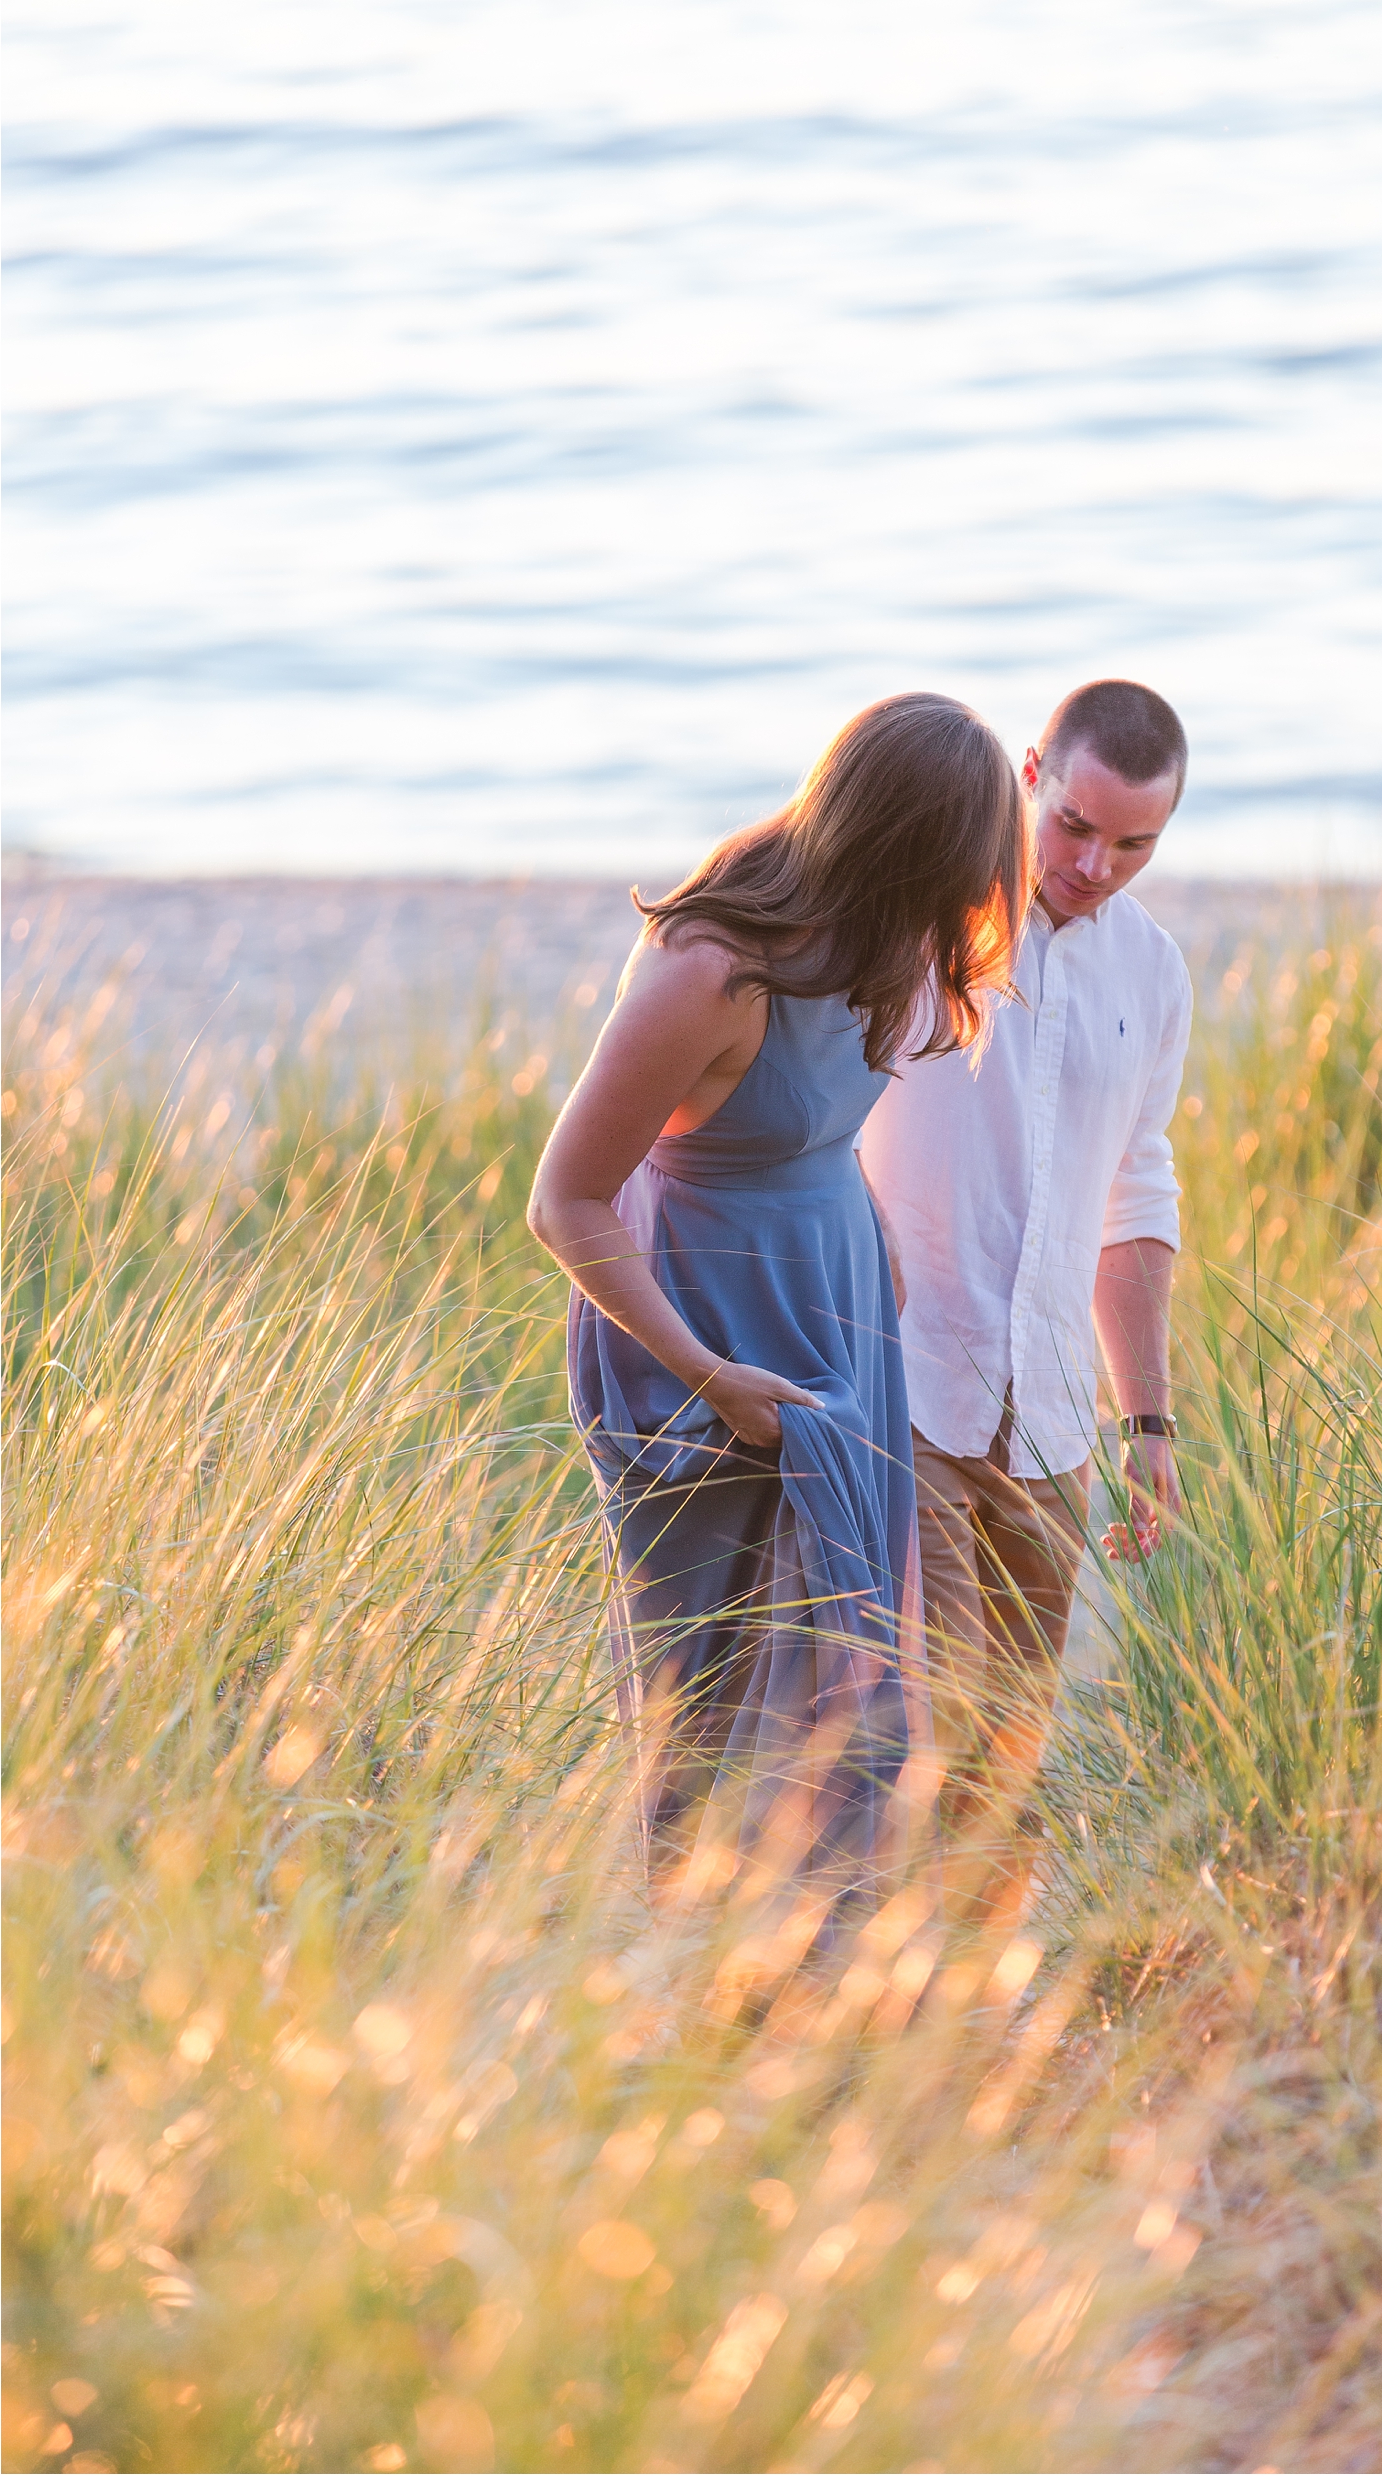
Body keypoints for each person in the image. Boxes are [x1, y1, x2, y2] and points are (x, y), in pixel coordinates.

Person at [527, 694, 1027, 1914]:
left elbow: (815, 1120)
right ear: (897, 849)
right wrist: (707, 1373)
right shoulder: (716, 970)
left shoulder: (885, 935)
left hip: (836, 1307)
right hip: (695, 1324)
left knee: (846, 1651)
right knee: (704, 1671)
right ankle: (690, 1956)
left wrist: (867, 1234)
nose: (964, 909)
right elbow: (566, 1201)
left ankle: (827, 1954)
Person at [857, 676, 1192, 1921]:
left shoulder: (1152, 974)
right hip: (906, 1386)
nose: (1094, 862)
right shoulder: (922, 912)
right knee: (923, 1726)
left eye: (1132, 843)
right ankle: (888, 2011)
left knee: (1013, 1747)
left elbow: (1135, 1195)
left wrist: (1144, 1419)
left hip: (1050, 1421)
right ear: (1032, 770)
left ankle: (978, 2028)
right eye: (1075, 826)